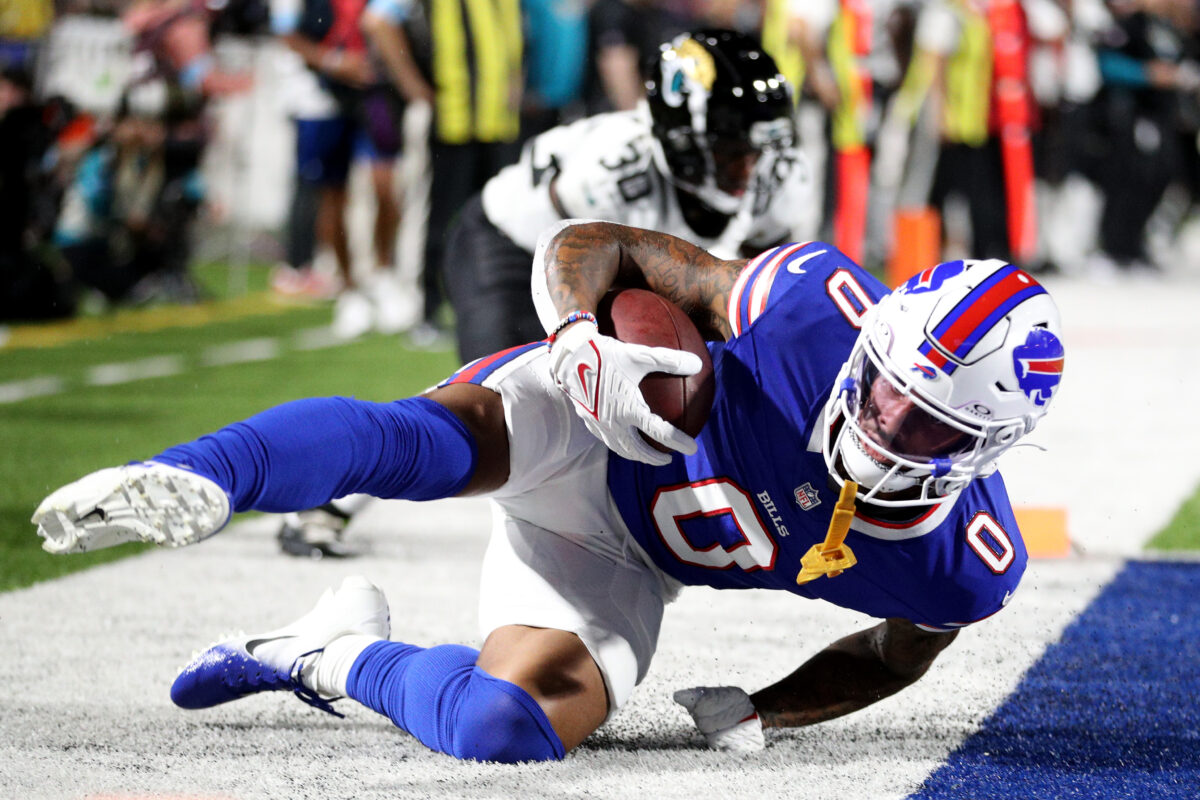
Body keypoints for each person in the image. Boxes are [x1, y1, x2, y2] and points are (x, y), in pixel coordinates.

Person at [33, 218, 1065, 762]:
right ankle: (198, 471)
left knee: (506, 730)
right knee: (417, 443)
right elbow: (596, 244)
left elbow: (893, 650)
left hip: (618, 559)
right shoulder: (809, 311)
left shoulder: (964, 563)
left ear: (988, 445)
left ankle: (324, 648)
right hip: (596, 425)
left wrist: (772, 706)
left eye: (925, 422)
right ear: (872, 340)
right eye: (882, 386)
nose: (882, 420)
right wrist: (580, 336)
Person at [445, 28, 810, 364]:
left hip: (609, 257)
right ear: (679, 139)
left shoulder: (780, 174)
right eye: (730, 153)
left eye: (756, 152)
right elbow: (573, 259)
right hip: (517, 246)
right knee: (515, 393)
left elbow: (770, 292)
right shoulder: (613, 172)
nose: (748, 169)